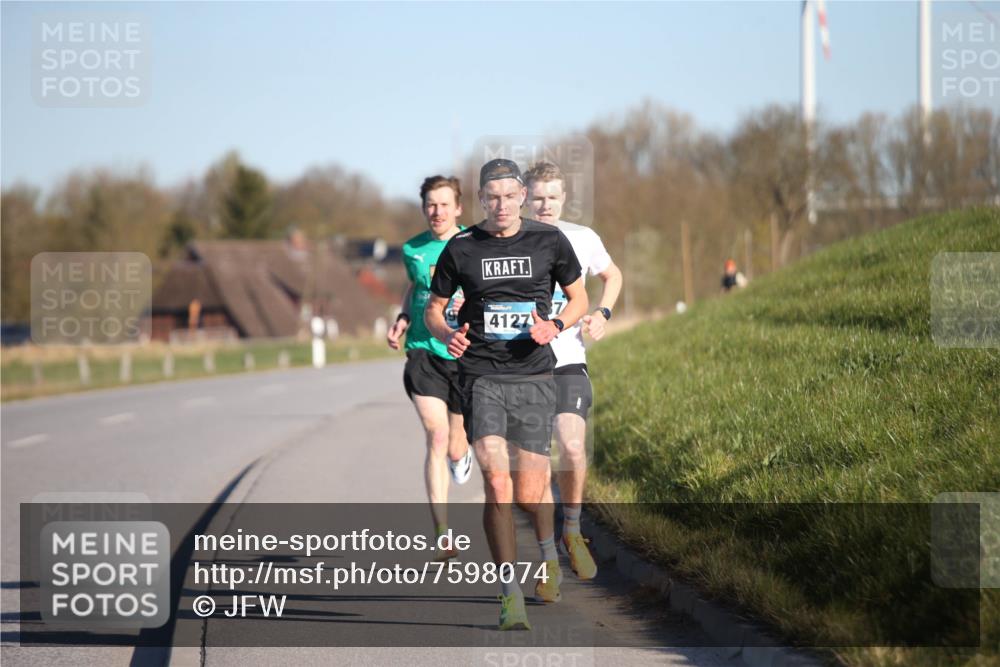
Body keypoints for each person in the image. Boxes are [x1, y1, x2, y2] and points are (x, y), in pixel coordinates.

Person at [424, 159, 588, 630]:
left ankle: (548, 558)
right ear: (481, 200)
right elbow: (436, 310)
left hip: (535, 376)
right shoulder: (461, 247)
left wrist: (555, 324)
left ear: (521, 196)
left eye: (508, 195)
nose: (500, 205)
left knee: (532, 490)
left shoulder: (548, 240)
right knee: (497, 482)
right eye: (490, 197)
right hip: (481, 376)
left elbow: (578, 298)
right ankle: (509, 592)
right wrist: (446, 332)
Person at [522, 161, 623, 603]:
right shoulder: (508, 243)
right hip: (521, 367)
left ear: (564, 199)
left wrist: (602, 313)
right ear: (525, 197)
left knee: (574, 445)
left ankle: (573, 532)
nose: (545, 205)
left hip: (567, 360)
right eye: (538, 197)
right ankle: (547, 563)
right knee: (536, 469)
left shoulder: (582, 238)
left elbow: (612, 276)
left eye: (553, 197)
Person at [386, 175, 473, 561]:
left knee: (456, 443)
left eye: (443, 204)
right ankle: (442, 532)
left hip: (466, 352)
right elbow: (414, 287)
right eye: (430, 205)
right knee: (436, 437)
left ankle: (462, 451)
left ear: (458, 208)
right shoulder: (413, 249)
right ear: (424, 209)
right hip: (423, 350)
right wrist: (404, 318)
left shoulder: (476, 243)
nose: (436, 212)